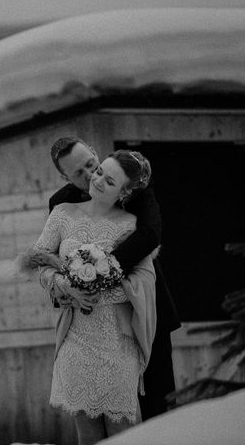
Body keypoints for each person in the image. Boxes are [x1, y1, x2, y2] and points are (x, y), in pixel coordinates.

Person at [48, 137, 181, 421]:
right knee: (100, 415)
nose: (88, 175)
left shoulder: (134, 184)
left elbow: (150, 234)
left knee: (157, 405)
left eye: (90, 164)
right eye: (78, 173)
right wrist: (65, 289)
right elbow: (53, 258)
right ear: (64, 177)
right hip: (92, 328)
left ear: (95, 153)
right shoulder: (60, 204)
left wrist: (100, 271)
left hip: (146, 310)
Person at [31, 150, 157, 445]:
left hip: (118, 342)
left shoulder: (130, 226)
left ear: (124, 191)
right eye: (99, 171)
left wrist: (105, 279)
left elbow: (145, 280)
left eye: (109, 180)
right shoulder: (61, 213)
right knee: (87, 435)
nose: (97, 180)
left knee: (122, 434)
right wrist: (66, 286)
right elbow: (37, 263)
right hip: (77, 340)